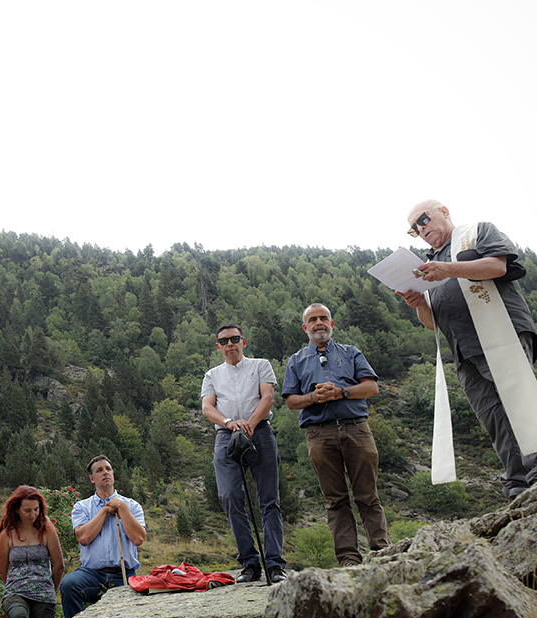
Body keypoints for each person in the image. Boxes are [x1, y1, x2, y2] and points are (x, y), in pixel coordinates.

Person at [399, 200, 537, 497]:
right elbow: (432, 323)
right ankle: (517, 482)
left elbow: (497, 266)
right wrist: (421, 303)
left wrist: (447, 269)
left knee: (519, 400)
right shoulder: (425, 267)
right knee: (493, 416)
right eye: (414, 229)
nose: (421, 229)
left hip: (502, 332)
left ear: (444, 212)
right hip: (463, 349)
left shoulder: (477, 232)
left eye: (423, 219)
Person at [282, 303, 391, 566]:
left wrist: (341, 392)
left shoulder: (351, 353)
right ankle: (348, 560)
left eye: (324, 318)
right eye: (313, 319)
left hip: (356, 428)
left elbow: (371, 387)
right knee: (335, 500)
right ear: (305, 327)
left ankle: (381, 552)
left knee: (368, 495)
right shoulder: (296, 361)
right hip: (319, 433)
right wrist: (313, 397)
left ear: (331, 324)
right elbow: (291, 401)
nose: (319, 323)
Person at [201, 324, 287, 584]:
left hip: (259, 431)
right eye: (224, 341)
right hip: (226, 436)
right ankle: (249, 564)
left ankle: (274, 565)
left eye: (234, 339)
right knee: (229, 497)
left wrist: (249, 422)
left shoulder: (261, 365)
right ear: (218, 347)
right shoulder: (212, 375)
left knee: (269, 499)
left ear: (243, 341)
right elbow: (207, 407)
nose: (230, 344)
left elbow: (268, 396)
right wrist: (229, 422)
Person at [60, 455, 146, 618]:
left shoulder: (132, 505)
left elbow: (138, 539)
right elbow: (83, 537)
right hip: (91, 574)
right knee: (70, 585)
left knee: (134, 609)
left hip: (123, 574)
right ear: (92, 479)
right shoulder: (82, 507)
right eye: (99, 470)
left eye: (108, 469)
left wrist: (121, 506)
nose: (105, 472)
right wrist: (105, 511)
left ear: (113, 474)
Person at [0, 486, 65, 618]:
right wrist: (14, 585)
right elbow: (2, 569)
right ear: (17, 509)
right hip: (15, 592)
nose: (32, 514)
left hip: (44, 593)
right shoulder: (8, 534)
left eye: (36, 509)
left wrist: (51, 590)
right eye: (27, 510)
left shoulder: (47, 531)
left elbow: (59, 566)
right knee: (19, 617)